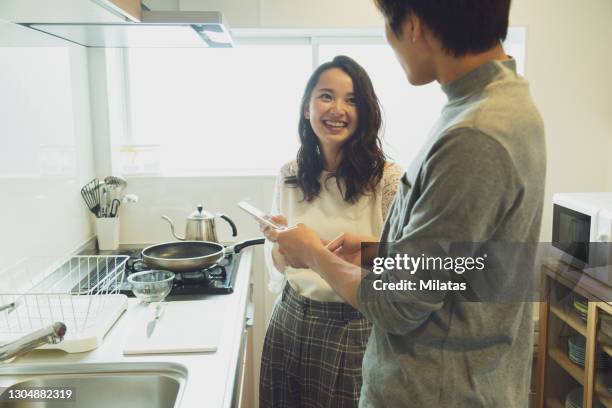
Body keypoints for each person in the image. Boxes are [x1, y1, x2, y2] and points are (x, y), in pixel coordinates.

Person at [272, 1, 546, 407]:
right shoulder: (492, 107)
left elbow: (397, 304)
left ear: (413, 25)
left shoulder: (475, 135)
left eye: (387, 22)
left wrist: (314, 254)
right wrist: (376, 253)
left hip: (436, 392)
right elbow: (469, 262)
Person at [259, 55, 403, 408]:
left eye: (351, 100)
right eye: (326, 96)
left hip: (355, 329)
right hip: (290, 319)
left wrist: (352, 252)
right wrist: (280, 245)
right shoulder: (290, 174)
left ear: (366, 113)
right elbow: (281, 266)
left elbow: (405, 268)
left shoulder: (389, 180)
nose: (337, 109)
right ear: (307, 108)